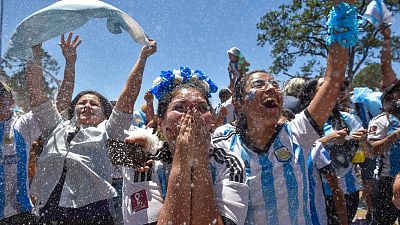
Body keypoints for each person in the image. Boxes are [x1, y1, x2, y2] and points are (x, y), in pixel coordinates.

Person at [212, 1, 357, 224]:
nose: (271, 88)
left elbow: (332, 80)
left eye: (274, 84)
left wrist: (342, 13)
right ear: (238, 105)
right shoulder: (222, 142)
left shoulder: (298, 133)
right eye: (259, 85)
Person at [25, 35, 157, 224]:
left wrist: (143, 57)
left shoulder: (109, 131)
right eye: (81, 102)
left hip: (93, 216)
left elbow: (128, 98)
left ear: (105, 114)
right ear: (74, 110)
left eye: (94, 104)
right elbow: (35, 94)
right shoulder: (55, 126)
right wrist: (35, 54)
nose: (87, 106)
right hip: (47, 214)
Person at [122, 67, 249, 225]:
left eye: (202, 108)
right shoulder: (143, 162)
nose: (192, 114)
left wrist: (200, 159)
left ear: (212, 122)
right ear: (160, 123)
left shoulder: (228, 163)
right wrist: (182, 158)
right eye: (179, 108)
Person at [0, 32, 81, 225]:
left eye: (2, 93)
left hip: (19, 215)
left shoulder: (22, 124)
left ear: (11, 101)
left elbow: (60, 104)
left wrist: (69, 63)